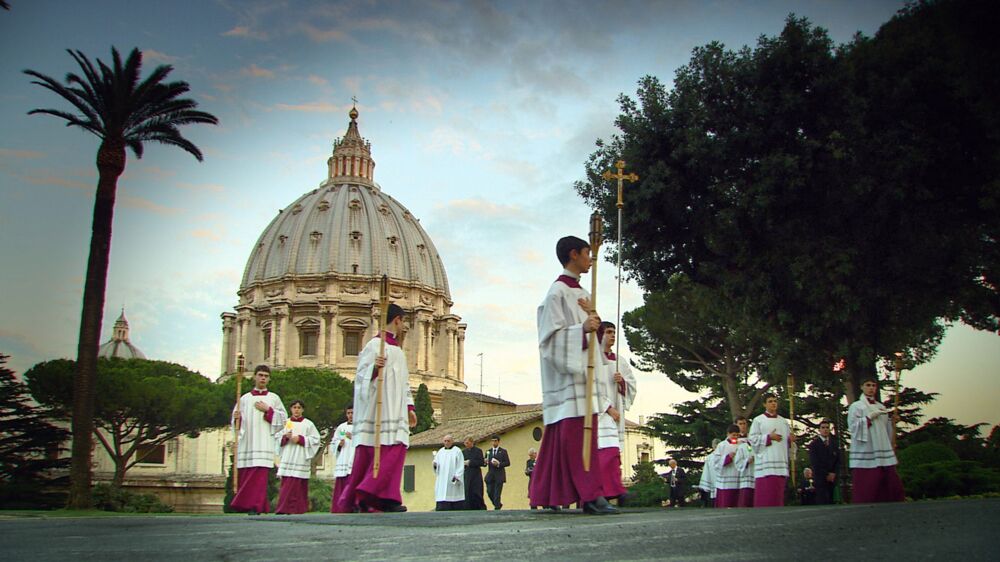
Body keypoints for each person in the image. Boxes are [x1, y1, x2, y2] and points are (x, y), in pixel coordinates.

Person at [530, 235, 618, 515]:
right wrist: (582, 330)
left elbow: (593, 332)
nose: (590, 259)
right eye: (586, 253)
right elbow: (549, 340)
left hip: (584, 377)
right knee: (576, 438)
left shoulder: (583, 293)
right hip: (568, 380)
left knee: (563, 440)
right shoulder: (556, 293)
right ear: (573, 255)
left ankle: (547, 492)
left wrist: (593, 324)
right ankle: (591, 496)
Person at [335, 303, 417, 513]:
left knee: (396, 447)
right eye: (402, 321)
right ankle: (371, 493)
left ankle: (382, 496)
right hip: (378, 409)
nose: (402, 326)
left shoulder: (397, 349)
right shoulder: (374, 346)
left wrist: (409, 406)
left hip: (395, 409)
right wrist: (374, 368)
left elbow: (404, 381)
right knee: (383, 450)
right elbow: (360, 378)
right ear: (397, 320)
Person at [231, 365, 287, 514]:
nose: (263, 378)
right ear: (254, 376)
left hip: (263, 442)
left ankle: (255, 506)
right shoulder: (244, 399)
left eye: (266, 376)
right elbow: (236, 424)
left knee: (259, 478)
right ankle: (246, 504)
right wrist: (237, 419)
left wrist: (268, 410)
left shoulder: (274, 398)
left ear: (269, 379)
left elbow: (282, 420)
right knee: (248, 474)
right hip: (248, 442)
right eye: (260, 375)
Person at [595, 321, 637, 504]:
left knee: (614, 453)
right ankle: (605, 491)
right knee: (605, 452)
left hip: (615, 414)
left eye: (614, 332)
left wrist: (622, 383)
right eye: (609, 332)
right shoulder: (593, 360)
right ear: (600, 335)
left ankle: (614, 489)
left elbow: (632, 384)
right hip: (599, 414)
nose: (613, 336)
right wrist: (608, 408)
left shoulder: (620, 361)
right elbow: (589, 388)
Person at [847, 377, 905, 503]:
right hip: (866, 449)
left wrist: (892, 422)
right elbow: (853, 427)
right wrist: (868, 418)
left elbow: (884, 429)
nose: (871, 388)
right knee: (868, 485)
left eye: (873, 385)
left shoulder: (881, 407)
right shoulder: (856, 406)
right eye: (868, 385)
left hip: (881, 449)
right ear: (862, 387)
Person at [274, 399, 321, 514]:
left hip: (300, 456)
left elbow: (316, 440)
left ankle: (299, 508)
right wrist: (285, 437)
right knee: (287, 483)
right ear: (290, 409)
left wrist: (301, 439)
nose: (296, 410)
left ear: (303, 410)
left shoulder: (308, 424)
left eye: (299, 407)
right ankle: (283, 508)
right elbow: (275, 439)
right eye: (294, 407)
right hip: (288, 455)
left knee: (299, 483)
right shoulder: (285, 423)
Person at [748, 394, 795, 507]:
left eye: (775, 401)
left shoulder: (783, 421)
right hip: (766, 464)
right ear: (764, 404)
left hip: (780, 461)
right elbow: (752, 440)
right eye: (770, 401)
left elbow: (787, 442)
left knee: (777, 496)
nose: (773, 403)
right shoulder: (758, 420)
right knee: (766, 496)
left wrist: (790, 440)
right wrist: (769, 437)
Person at [330, 404, 357, 513]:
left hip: (354, 457)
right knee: (342, 483)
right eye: (348, 413)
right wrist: (338, 444)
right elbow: (334, 442)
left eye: (352, 413)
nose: (350, 415)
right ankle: (339, 508)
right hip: (343, 458)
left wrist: (354, 437)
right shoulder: (341, 427)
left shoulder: (360, 427)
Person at [807, 419, 840, 505]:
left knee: (832, 501)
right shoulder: (814, 444)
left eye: (827, 427)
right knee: (822, 501)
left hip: (832, 479)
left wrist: (833, 473)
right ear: (819, 430)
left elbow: (838, 460)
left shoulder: (834, 444)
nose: (825, 429)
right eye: (823, 427)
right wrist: (826, 474)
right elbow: (815, 462)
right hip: (820, 479)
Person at [712, 425, 746, 508]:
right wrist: (728, 457)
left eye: (737, 435)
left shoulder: (742, 444)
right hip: (726, 477)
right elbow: (716, 462)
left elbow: (749, 451)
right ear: (728, 434)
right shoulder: (722, 445)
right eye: (733, 435)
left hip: (738, 476)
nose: (735, 437)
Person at [432, 434, 466, 511]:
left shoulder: (457, 451)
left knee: (454, 496)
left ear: (452, 442)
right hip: (442, 480)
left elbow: (461, 464)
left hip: (453, 480)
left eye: (448, 441)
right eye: (445, 441)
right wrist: (435, 465)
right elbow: (436, 465)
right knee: (443, 496)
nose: (446, 442)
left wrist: (457, 476)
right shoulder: (440, 451)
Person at [485, 435, 510, 510]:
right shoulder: (488, 452)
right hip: (490, 475)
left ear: (498, 442)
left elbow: (507, 463)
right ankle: (498, 504)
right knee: (489, 492)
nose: (494, 442)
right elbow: (485, 463)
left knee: (497, 494)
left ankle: (497, 508)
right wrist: (485, 462)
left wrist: (499, 464)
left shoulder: (503, 451)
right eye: (492, 441)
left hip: (499, 475)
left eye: (495, 441)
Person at [462, 437, 487, 510]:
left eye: (467, 443)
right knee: (467, 491)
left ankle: (479, 507)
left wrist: (470, 462)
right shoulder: (463, 452)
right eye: (465, 443)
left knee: (476, 491)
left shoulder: (478, 451)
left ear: (472, 442)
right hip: (467, 474)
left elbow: (481, 462)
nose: (466, 445)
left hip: (476, 475)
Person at [735, 416, 755, 507]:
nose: (742, 426)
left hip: (748, 470)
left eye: (744, 424)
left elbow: (750, 449)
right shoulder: (732, 440)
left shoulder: (751, 439)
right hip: (734, 471)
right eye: (740, 424)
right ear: (736, 425)